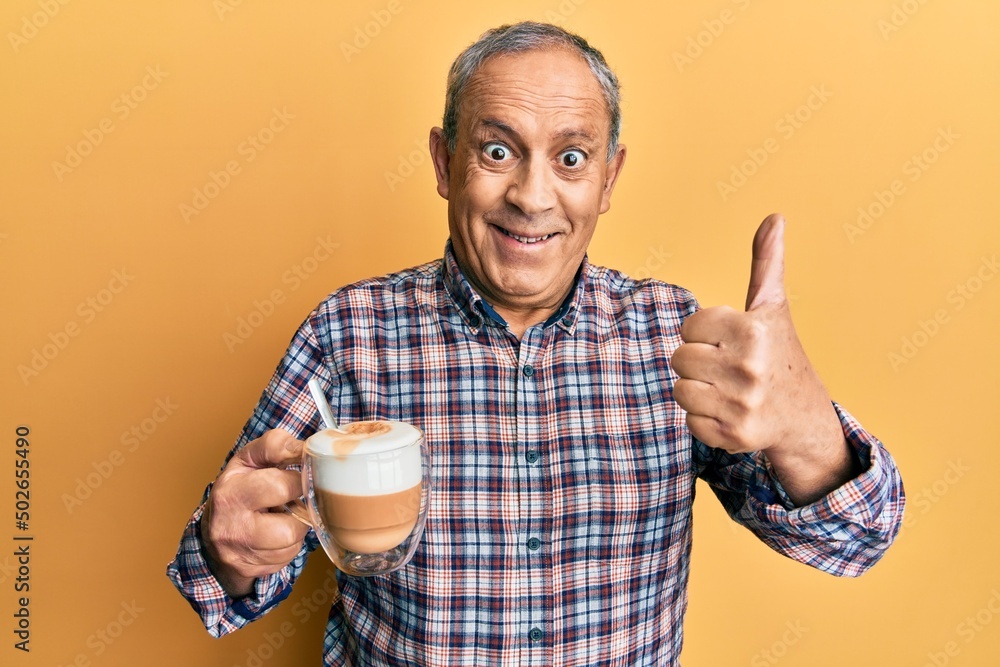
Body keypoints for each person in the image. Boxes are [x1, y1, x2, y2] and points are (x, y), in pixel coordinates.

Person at [167, 21, 904, 666]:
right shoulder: (348, 332)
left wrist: (807, 428)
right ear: (442, 162)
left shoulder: (673, 338)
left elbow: (854, 542)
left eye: (572, 158)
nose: (533, 195)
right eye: (497, 151)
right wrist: (225, 547)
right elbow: (217, 582)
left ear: (609, 178)